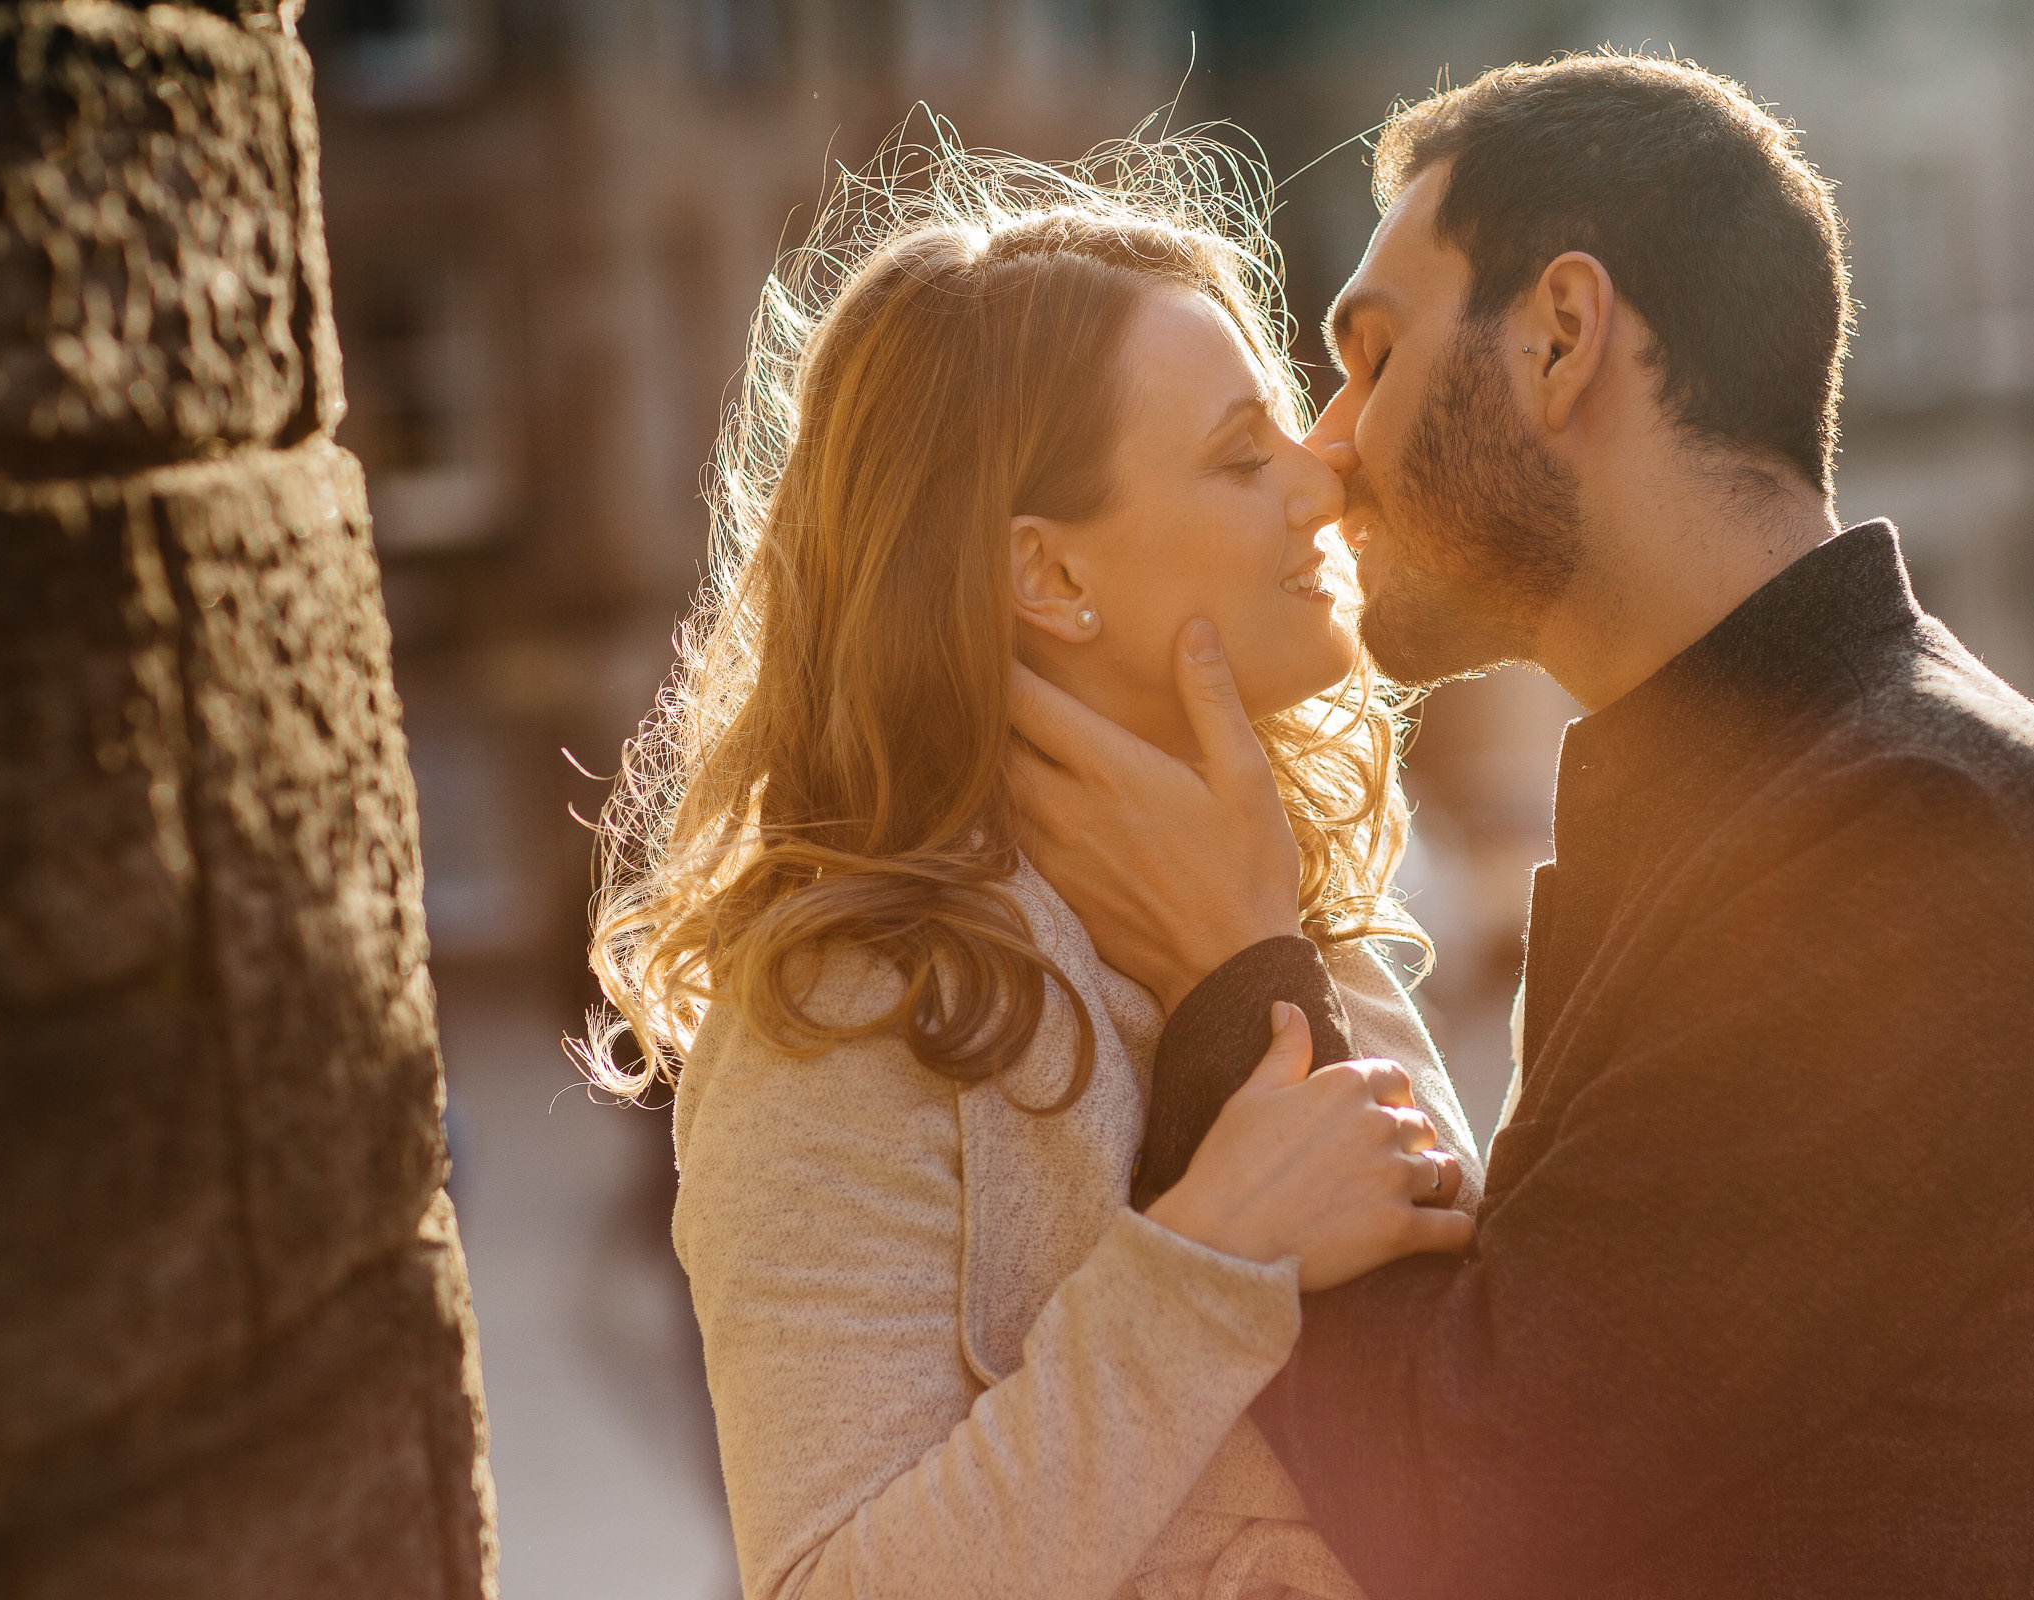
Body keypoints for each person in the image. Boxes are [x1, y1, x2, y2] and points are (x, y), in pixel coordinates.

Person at [1011, 55, 2034, 1599]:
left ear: (1563, 336)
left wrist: (1243, 975)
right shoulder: (1775, 794)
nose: (1332, 448)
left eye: (1370, 357)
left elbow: (1482, 1509)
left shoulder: (1918, 830)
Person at [583, 136, 1480, 1600]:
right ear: (1048, 577)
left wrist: (1251, 956)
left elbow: (1474, 1426)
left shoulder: (1302, 899)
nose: (1324, 489)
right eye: (1243, 457)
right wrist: (1208, 1263)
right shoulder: (846, 1005)